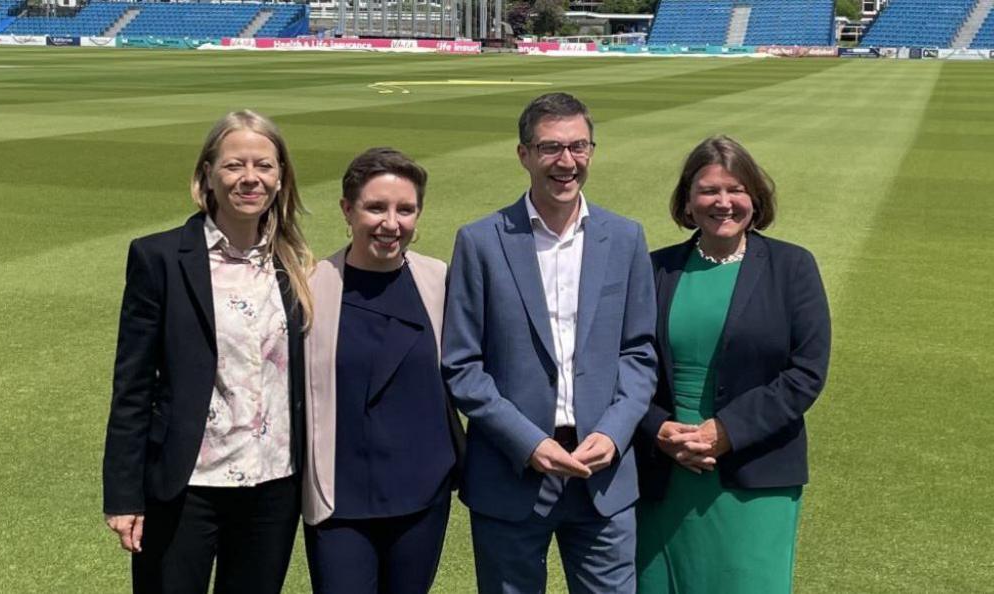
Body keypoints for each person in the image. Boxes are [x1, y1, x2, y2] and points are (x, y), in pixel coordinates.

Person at [441, 92, 659, 593]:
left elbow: (639, 352)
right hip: (512, 476)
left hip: (601, 473)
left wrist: (615, 430)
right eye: (550, 148)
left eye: (578, 147)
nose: (566, 162)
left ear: (592, 150)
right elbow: (462, 364)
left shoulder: (625, 238)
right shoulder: (480, 241)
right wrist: (529, 443)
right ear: (523, 155)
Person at [102, 110, 312, 594]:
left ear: (281, 178)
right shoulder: (158, 258)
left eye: (264, 165)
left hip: (273, 484)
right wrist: (123, 495)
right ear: (208, 176)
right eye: (234, 165)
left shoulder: (294, 265)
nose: (250, 178)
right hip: (187, 485)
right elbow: (132, 387)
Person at [633, 135, 832, 593]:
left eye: (735, 190)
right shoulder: (654, 269)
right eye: (708, 191)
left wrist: (725, 432)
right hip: (666, 474)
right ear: (687, 201)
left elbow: (806, 372)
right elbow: (623, 364)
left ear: (755, 199)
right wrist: (659, 429)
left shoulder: (792, 267)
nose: (723, 202)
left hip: (754, 476)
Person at [301, 147, 465, 594]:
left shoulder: (439, 279)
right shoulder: (310, 286)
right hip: (340, 499)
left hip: (421, 492)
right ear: (347, 210)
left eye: (405, 210)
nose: (391, 224)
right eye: (376, 207)